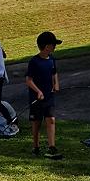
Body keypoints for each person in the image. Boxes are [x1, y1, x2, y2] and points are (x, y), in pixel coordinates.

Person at [26, 30, 63, 160]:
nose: (55, 47)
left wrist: (56, 84)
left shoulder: (51, 59)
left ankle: (52, 146)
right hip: (36, 98)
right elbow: (29, 80)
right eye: (53, 44)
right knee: (36, 122)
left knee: (51, 119)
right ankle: (35, 146)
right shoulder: (34, 62)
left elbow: (54, 73)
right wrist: (38, 91)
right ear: (47, 46)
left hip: (49, 97)